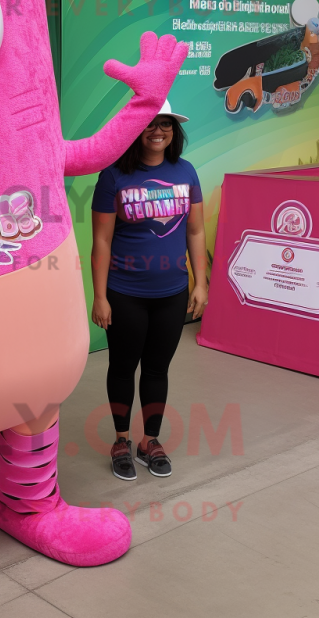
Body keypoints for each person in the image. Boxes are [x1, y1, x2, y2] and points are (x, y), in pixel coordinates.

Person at [90, 99, 208, 480]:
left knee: (158, 368)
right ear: (134, 131)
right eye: (149, 125)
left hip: (172, 291)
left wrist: (200, 282)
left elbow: (195, 231)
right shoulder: (113, 176)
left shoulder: (186, 172)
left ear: (174, 132)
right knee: (123, 366)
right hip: (125, 292)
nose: (158, 132)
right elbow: (102, 241)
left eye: (166, 125)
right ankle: (121, 440)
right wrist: (100, 296)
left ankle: (149, 441)